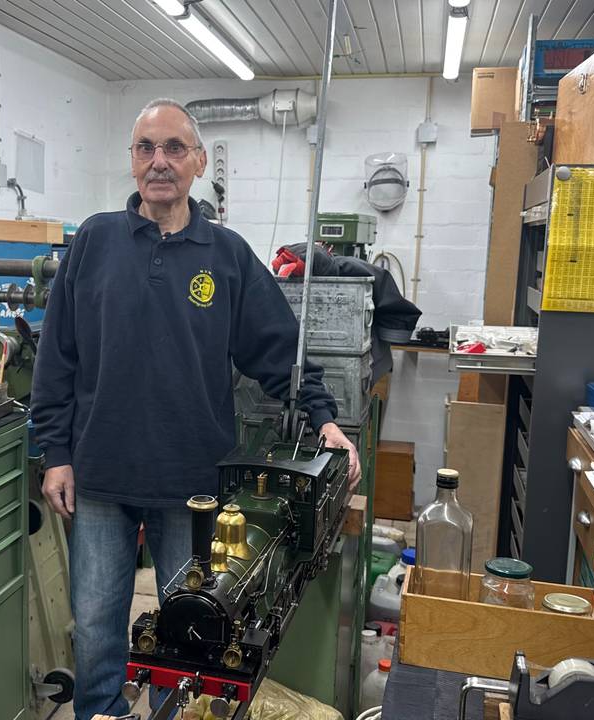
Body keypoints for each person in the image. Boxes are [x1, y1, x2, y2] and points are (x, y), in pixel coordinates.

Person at [30, 98, 360, 720]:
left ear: (199, 162)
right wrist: (56, 454)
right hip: (101, 475)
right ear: (131, 161)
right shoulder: (94, 241)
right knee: (98, 629)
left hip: (193, 485)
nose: (160, 162)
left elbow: (278, 354)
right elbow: (58, 358)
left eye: (174, 148)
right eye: (146, 148)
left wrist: (324, 417)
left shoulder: (228, 256)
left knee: (189, 635)